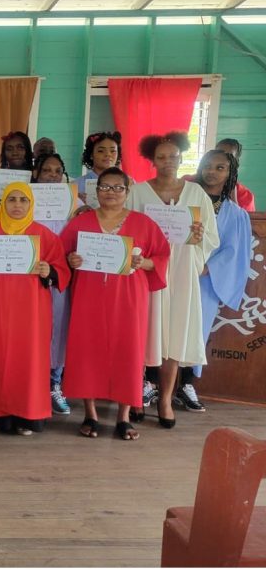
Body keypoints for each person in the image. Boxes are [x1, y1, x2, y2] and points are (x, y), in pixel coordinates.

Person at [60, 168, 170, 441]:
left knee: (128, 351)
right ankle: (90, 414)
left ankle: (124, 416)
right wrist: (71, 259)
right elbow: (61, 254)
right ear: (96, 191)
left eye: (117, 187)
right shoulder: (81, 222)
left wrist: (143, 262)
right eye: (105, 187)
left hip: (129, 298)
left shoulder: (143, 224)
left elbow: (161, 256)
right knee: (87, 350)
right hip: (89, 296)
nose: (111, 192)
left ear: (127, 191)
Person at [0, 182, 70, 435]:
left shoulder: (44, 235)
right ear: (3, 204)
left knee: (28, 359)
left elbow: (62, 270)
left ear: (31, 204)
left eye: (23, 200)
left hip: (32, 312)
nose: (17, 205)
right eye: (12, 199)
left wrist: (49, 270)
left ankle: (27, 415)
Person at [126, 132, 218, 428]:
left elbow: (211, 236)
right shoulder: (138, 192)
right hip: (147, 268)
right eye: (161, 157)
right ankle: (134, 395)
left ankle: (165, 399)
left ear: (181, 158)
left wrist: (199, 237)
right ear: (152, 160)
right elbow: (126, 228)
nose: (168, 161)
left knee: (176, 331)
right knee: (143, 330)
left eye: (173, 156)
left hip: (181, 269)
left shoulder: (196, 193)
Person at [178, 150, 252, 408]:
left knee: (196, 330)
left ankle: (186, 383)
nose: (212, 171)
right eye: (207, 165)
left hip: (206, 280)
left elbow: (234, 250)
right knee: (165, 324)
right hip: (176, 273)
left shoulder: (236, 214)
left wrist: (207, 267)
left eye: (220, 167)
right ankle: (152, 381)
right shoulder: (183, 201)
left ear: (230, 173)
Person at [31, 152, 80, 417]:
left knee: (59, 325)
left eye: (57, 171)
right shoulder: (24, 198)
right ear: (36, 174)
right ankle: (32, 382)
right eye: (47, 170)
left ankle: (54, 382)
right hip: (28, 274)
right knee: (32, 327)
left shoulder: (74, 203)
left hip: (60, 273)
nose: (52, 175)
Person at [0, 131, 35, 209]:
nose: (15, 153)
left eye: (20, 148)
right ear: (4, 154)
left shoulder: (37, 179)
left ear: (27, 151)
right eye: (9, 149)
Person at [76, 132, 122, 204]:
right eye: (101, 151)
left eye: (113, 151)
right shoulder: (76, 185)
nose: (108, 154)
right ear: (91, 155)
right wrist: (75, 202)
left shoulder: (128, 182)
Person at [215, 138, 255, 211]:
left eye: (229, 157)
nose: (222, 160)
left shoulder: (245, 195)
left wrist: (233, 197)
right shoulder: (194, 182)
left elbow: (242, 218)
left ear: (236, 163)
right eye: (218, 154)